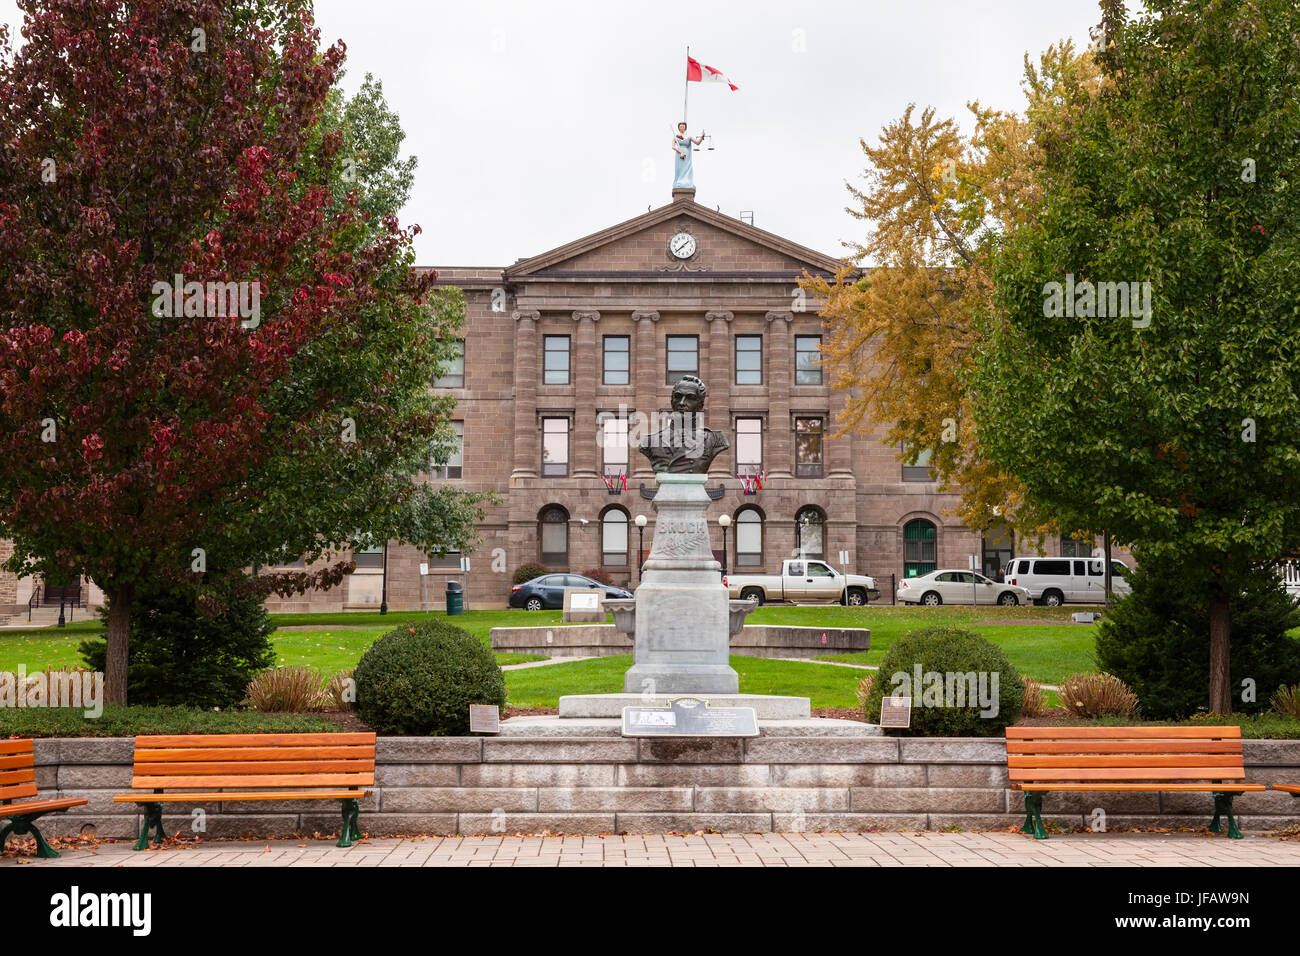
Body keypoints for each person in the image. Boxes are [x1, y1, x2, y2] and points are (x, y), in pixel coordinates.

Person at [638, 375, 729, 473]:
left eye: (690, 398)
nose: (681, 403)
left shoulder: (714, 439)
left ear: (700, 405)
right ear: (672, 401)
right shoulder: (650, 441)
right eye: (678, 396)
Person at [672, 122, 705, 189]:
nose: (682, 128)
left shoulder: (689, 137)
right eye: (680, 126)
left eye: (683, 126)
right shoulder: (675, 137)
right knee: (680, 169)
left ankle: (687, 182)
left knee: (686, 168)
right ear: (678, 128)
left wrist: (702, 137)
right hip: (679, 155)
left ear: (685, 128)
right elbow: (673, 147)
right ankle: (679, 182)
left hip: (686, 155)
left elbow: (697, 143)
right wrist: (680, 152)